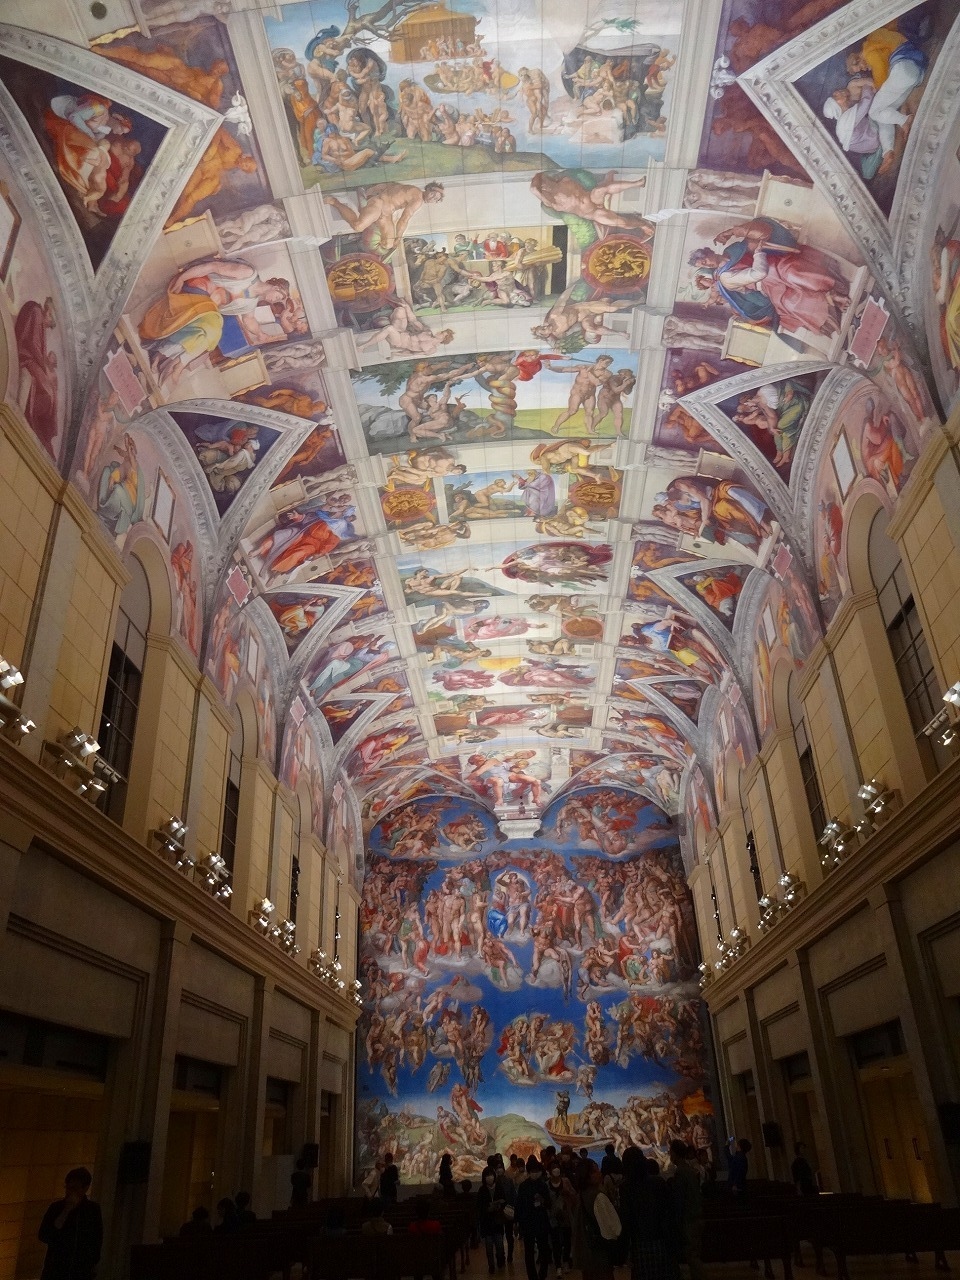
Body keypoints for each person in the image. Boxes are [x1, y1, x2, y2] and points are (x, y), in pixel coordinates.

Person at [619, 1148, 678, 1280]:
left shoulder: (626, 1187)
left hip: (640, 1243)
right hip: (661, 1240)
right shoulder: (658, 1182)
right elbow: (669, 1212)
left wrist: (623, 1251)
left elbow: (626, 1220)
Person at [38, 1169, 102, 1280]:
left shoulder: (92, 1210)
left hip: (80, 1270)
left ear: (85, 1188)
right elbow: (43, 1235)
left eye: (75, 1188)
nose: (70, 1192)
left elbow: (97, 1240)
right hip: (55, 1269)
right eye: (68, 1187)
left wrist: (92, 1264)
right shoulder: (56, 1208)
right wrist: (66, 1211)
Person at [574, 1159, 617, 1280]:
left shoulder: (581, 1194)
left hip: (587, 1249)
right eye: (595, 1171)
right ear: (587, 1176)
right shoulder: (597, 1196)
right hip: (599, 1251)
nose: (599, 1173)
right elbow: (610, 1225)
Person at [667, 1141, 703, 1280]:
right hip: (694, 1216)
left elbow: (680, 1199)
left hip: (689, 1219)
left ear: (675, 1154)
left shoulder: (681, 1172)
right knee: (693, 1255)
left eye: (671, 1152)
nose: (670, 1154)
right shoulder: (688, 1170)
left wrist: (677, 1220)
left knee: (692, 1257)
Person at [516, 1157, 552, 1280]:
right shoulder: (523, 1186)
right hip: (528, 1222)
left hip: (541, 1221)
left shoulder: (543, 1186)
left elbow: (549, 1203)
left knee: (543, 1249)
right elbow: (519, 1205)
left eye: (537, 1171)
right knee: (529, 1252)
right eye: (533, 1171)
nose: (535, 1173)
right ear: (529, 1172)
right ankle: (532, 1276)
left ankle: (543, 1274)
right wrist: (519, 1222)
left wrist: (542, 1201)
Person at [546, 1161, 575, 1276]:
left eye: (557, 1167)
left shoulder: (566, 1181)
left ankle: (566, 1261)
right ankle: (558, 1265)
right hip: (553, 1217)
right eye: (553, 1168)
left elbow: (574, 1195)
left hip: (566, 1215)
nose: (556, 1170)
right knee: (556, 1242)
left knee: (567, 1240)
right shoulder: (546, 1184)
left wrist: (568, 1194)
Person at [478, 1166, 507, 1273]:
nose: (489, 1177)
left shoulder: (499, 1187)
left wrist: (499, 1205)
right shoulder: (482, 1190)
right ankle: (491, 1265)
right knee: (489, 1246)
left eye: (490, 1175)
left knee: (499, 1244)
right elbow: (480, 1206)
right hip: (487, 1222)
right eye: (487, 1176)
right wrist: (487, 1208)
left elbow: (504, 1200)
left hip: (498, 1221)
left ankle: (500, 1259)